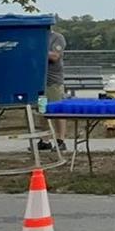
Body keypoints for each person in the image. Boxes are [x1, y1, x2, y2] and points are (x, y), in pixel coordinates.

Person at [38, 24, 68, 152]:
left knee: (57, 110)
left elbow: (55, 56)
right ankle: (45, 140)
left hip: (53, 82)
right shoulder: (37, 38)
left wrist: (36, 51)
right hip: (40, 82)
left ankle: (61, 140)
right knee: (42, 110)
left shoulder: (57, 38)